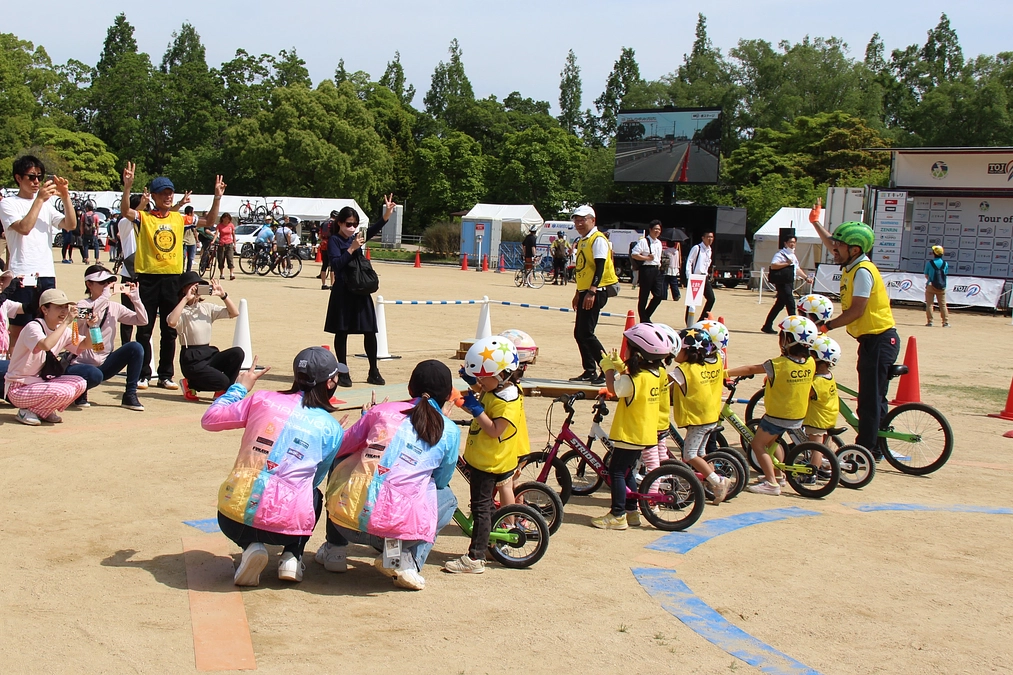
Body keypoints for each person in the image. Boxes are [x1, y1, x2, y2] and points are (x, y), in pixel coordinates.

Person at [202, 348, 344, 587]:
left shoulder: (263, 399)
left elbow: (210, 419)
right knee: (312, 494)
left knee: (243, 497)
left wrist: (240, 387)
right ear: (330, 383)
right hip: (287, 525)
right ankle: (292, 555)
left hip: (233, 516)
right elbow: (315, 479)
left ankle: (251, 547)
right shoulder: (331, 427)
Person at [319, 359, 460, 590]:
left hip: (349, 523)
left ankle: (335, 549)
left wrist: (367, 421)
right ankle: (406, 560)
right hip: (399, 532)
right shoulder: (449, 430)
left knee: (344, 461)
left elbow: (341, 448)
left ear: (409, 388)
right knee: (445, 495)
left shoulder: (381, 412)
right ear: (447, 396)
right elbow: (443, 479)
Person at [119, 162, 225, 390]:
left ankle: (165, 374)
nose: (168, 197)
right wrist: (127, 187)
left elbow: (210, 221)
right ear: (155, 196)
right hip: (147, 278)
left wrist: (217, 198)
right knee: (144, 328)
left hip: (173, 279)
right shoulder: (145, 217)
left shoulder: (180, 219)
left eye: (170, 193)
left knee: (170, 329)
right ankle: (143, 374)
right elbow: (126, 212)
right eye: (164, 193)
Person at [809, 201, 900, 459]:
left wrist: (826, 326)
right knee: (875, 395)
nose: (834, 250)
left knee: (869, 400)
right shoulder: (852, 262)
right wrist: (816, 223)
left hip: (880, 340)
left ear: (855, 248)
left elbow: (856, 311)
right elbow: (832, 244)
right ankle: (878, 444)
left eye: (840, 246)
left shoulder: (862, 271)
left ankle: (866, 450)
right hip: (872, 340)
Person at [446, 336, 527, 572]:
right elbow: (486, 390)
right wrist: (472, 381)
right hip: (491, 457)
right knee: (488, 505)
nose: (480, 383)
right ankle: (497, 540)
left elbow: (494, 430)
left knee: (480, 508)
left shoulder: (507, 401)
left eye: (483, 378)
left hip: (489, 462)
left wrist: (475, 409)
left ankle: (475, 557)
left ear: (502, 374)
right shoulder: (503, 387)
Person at [728, 315, 818, 495]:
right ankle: (778, 475)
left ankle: (771, 483)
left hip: (778, 414)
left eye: (782, 336)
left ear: (790, 340)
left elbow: (751, 369)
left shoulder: (777, 364)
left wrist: (726, 372)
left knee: (757, 444)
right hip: (797, 414)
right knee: (773, 443)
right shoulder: (810, 362)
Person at [591, 324, 670, 529]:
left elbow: (613, 389)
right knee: (627, 471)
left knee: (616, 471)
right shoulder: (654, 373)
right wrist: (619, 367)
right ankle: (631, 511)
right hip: (645, 432)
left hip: (629, 433)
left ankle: (617, 514)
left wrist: (607, 368)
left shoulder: (633, 378)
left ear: (636, 352)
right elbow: (629, 380)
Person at [0, 155, 77, 349]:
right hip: (22, 274)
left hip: (46, 273)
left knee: (47, 326)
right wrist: (40, 199)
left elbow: (71, 224)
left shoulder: (46, 205)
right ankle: (15, 372)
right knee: (19, 328)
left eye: (40, 177)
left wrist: (65, 196)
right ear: (18, 178)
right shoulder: (8, 203)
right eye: (31, 177)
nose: (36, 182)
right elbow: (24, 227)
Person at [324, 196, 396, 387]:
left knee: (369, 330)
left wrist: (386, 214)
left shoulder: (358, 236)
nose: (352, 228)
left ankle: (373, 370)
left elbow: (372, 230)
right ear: (339, 223)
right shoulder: (335, 241)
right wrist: (352, 249)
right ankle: (343, 371)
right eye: (348, 224)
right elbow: (336, 266)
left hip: (360, 290)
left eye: (355, 224)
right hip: (343, 291)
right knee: (342, 332)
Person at [4, 288, 91, 426]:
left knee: (81, 383)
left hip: (41, 383)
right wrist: (66, 323)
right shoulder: (33, 327)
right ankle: (27, 411)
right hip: (19, 387)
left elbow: (90, 345)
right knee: (66, 391)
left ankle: (40, 410)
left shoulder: (62, 329)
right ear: (44, 309)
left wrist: (93, 326)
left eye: (65, 307)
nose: (64, 311)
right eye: (59, 307)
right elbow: (45, 345)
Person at [67, 266, 147, 411]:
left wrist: (136, 298)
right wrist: (105, 296)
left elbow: (142, 321)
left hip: (104, 363)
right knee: (93, 374)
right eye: (102, 283)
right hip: (80, 365)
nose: (106, 286)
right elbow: (88, 314)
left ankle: (130, 394)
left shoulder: (114, 307)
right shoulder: (81, 305)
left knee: (136, 347)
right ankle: (80, 390)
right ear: (89, 284)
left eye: (109, 282)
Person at [671, 323, 731, 504]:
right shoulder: (715, 360)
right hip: (711, 415)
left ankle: (717, 481)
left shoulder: (683, 370)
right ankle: (707, 482)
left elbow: (661, 385)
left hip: (697, 418)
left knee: (689, 454)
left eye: (679, 348)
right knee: (700, 453)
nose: (675, 352)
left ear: (689, 352)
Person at [167, 271, 242, 401]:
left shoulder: (207, 307)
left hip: (208, 353)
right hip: (191, 357)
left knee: (237, 353)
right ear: (184, 289)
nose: (196, 289)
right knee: (223, 381)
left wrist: (223, 295)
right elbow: (171, 322)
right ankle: (190, 384)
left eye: (199, 286)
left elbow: (234, 313)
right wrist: (186, 299)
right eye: (192, 286)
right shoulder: (181, 311)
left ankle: (222, 392)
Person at [568, 205, 618, 385]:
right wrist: (578, 292)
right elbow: (583, 269)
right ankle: (589, 370)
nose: (579, 223)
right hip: (585, 290)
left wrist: (591, 291)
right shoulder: (583, 240)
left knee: (587, 332)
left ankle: (607, 369)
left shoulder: (598, 239)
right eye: (576, 220)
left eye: (583, 219)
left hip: (596, 290)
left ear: (592, 220)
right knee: (579, 333)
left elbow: (600, 266)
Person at [803, 335, 843, 481]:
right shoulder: (828, 376)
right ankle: (826, 468)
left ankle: (812, 473)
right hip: (829, 415)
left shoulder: (817, 382)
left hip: (817, 419)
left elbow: (804, 394)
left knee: (816, 448)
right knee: (826, 444)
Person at [761, 235, 813, 334]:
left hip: (789, 282)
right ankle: (793, 328)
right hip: (782, 282)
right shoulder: (781, 254)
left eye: (794, 242)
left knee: (779, 305)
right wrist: (787, 263)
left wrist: (806, 278)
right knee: (791, 304)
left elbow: (797, 269)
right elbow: (774, 265)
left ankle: (767, 325)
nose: (792, 244)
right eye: (790, 242)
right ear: (785, 243)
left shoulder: (793, 255)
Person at [116, 191, 148, 349]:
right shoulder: (124, 223)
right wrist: (142, 204)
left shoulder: (146, 224)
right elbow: (132, 215)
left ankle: (140, 349)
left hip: (145, 274)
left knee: (143, 314)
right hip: (129, 274)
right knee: (127, 315)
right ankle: (125, 347)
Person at [632, 220, 665, 322]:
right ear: (650, 229)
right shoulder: (644, 241)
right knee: (644, 296)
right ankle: (644, 319)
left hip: (657, 270)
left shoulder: (659, 242)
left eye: (659, 229)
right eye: (655, 229)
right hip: (647, 269)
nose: (657, 231)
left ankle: (646, 315)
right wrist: (646, 258)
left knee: (659, 295)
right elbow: (634, 254)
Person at [0, 269, 26, 393]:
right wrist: (10, 288)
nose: (1, 283)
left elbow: (29, 308)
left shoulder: (5, 304)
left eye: (2, 280)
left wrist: (35, 291)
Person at [684, 231, 716, 324]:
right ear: (703, 238)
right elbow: (689, 262)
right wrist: (689, 276)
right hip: (695, 276)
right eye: (708, 237)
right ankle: (689, 322)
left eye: (712, 237)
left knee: (711, 298)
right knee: (692, 301)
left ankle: (701, 320)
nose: (710, 239)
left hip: (704, 276)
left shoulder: (709, 250)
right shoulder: (697, 248)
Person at [924, 245, 949, 327]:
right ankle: (945, 322)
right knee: (943, 305)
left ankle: (930, 321)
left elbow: (926, 275)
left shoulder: (929, 263)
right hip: (941, 286)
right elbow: (945, 274)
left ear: (934, 253)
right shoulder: (945, 263)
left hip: (931, 285)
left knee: (930, 304)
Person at [215, 213, 236, 281]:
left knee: (230, 259)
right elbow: (216, 234)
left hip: (229, 243)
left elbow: (233, 235)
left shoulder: (231, 225)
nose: (226, 220)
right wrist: (213, 240)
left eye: (228, 218)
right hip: (221, 244)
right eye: (225, 218)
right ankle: (221, 274)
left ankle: (231, 274)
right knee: (221, 259)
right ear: (222, 218)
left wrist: (234, 244)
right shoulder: (219, 225)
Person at [319, 211, 336, 290]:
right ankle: (332, 284)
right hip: (331, 244)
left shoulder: (324, 223)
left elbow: (319, 235)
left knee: (324, 265)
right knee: (332, 266)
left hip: (323, 244)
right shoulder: (334, 224)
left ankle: (323, 284)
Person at [182, 206, 198, 273]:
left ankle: (188, 272)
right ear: (190, 212)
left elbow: (195, 231)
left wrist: (197, 241)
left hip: (192, 242)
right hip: (184, 241)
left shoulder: (194, 220)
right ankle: (181, 271)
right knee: (183, 257)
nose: (194, 213)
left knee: (190, 258)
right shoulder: (183, 219)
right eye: (193, 212)